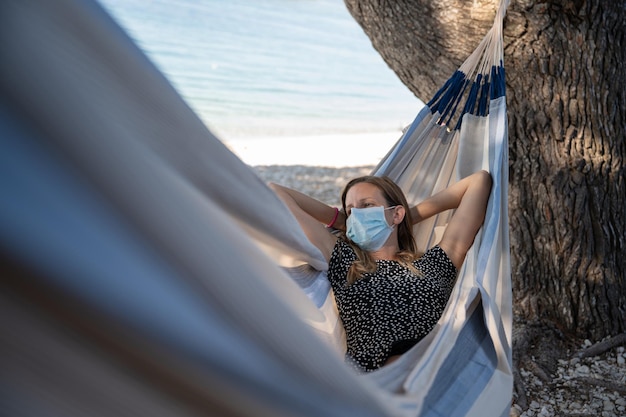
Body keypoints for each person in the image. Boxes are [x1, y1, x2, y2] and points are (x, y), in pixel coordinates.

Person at [269, 170, 492, 372]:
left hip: (429, 377)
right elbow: (275, 192)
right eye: (351, 210)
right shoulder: (345, 260)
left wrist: (407, 218)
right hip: (372, 383)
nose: (357, 215)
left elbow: (478, 182)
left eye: (366, 206)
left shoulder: (434, 264)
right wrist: (342, 222)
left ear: (396, 214)